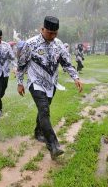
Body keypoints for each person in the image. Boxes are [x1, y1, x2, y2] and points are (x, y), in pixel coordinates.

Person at [17, 16, 83, 160]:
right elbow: (21, 64)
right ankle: (53, 145)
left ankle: (38, 131)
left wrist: (75, 77)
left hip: (52, 83)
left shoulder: (58, 44)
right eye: (49, 33)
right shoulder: (31, 44)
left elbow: (66, 63)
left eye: (55, 33)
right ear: (42, 29)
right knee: (44, 109)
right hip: (35, 82)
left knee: (43, 109)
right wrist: (20, 82)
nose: (52, 36)